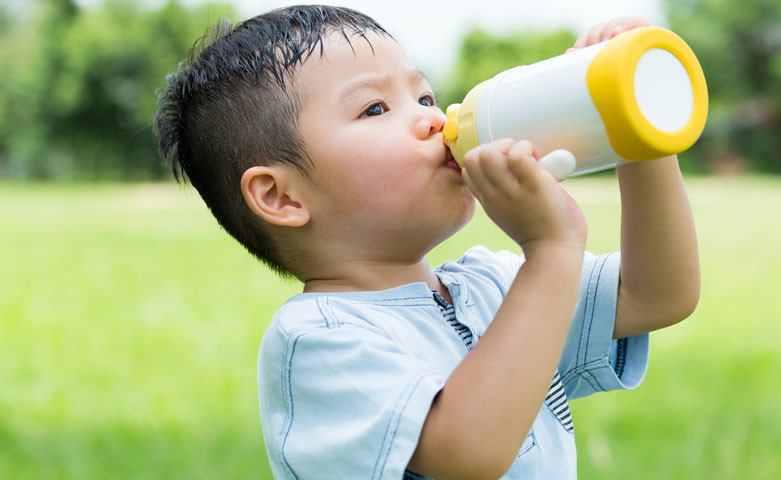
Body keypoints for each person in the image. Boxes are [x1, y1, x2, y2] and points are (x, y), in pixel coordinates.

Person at [153, 5, 700, 479]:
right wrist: (552, 251)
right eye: (375, 108)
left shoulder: (493, 283)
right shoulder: (316, 342)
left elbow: (657, 295)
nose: (433, 119)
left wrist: (636, 137)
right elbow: (469, 451)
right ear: (281, 197)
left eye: (424, 95)